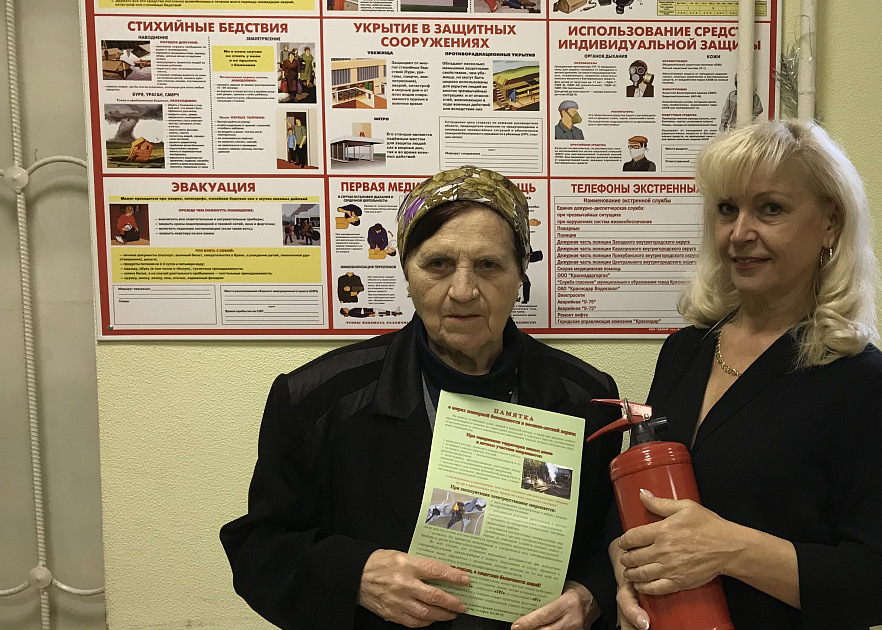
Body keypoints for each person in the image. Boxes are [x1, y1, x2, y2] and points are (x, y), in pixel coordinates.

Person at [221, 166, 622, 630]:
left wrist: (591, 596)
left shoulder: (587, 402)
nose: (463, 291)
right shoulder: (315, 401)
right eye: (438, 264)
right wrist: (356, 576)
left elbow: (612, 539)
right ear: (407, 272)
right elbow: (259, 552)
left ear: (520, 275)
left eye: (489, 265)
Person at [609, 120, 882, 629]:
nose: (740, 233)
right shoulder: (684, 351)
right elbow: (646, 505)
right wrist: (626, 572)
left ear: (830, 223)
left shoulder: (866, 385)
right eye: (727, 209)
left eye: (771, 209)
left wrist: (728, 549)